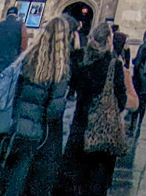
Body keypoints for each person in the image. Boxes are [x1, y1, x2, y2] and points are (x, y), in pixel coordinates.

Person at [0, 16, 72, 196]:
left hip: (12, 126)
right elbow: (54, 111)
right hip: (33, 132)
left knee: (1, 173)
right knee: (18, 178)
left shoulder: (26, 58)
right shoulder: (59, 70)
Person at [55, 23, 131, 196]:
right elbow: (122, 101)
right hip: (101, 134)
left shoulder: (80, 60)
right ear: (109, 40)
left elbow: (72, 86)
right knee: (96, 184)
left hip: (79, 127)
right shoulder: (113, 65)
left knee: (72, 180)